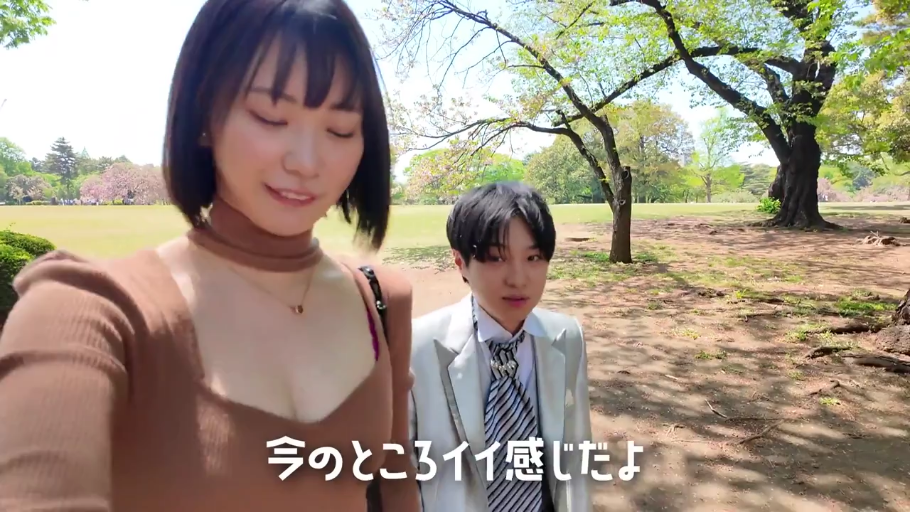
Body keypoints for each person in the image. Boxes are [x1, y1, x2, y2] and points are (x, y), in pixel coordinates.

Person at [0, 0, 419, 511]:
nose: (307, 162)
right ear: (203, 117)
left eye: (340, 130)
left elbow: (397, 482)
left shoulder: (381, 300)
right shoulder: (90, 311)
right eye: (270, 117)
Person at [408, 182, 594, 512]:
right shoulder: (418, 346)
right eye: (496, 258)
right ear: (460, 262)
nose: (518, 279)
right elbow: (401, 475)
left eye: (533, 257)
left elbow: (575, 452)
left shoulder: (566, 336)